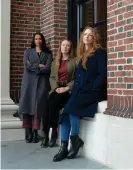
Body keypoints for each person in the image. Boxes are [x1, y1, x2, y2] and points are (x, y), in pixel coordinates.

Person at [53, 27, 107, 162]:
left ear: (94, 38)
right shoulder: (82, 54)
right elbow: (78, 78)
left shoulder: (99, 53)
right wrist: (70, 89)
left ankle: (75, 140)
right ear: (82, 37)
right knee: (65, 114)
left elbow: (103, 73)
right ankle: (64, 147)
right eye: (85, 34)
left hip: (92, 93)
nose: (87, 37)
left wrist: (94, 88)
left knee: (71, 109)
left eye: (90, 35)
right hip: (79, 92)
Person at [40, 39, 76, 148]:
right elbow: (52, 77)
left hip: (67, 90)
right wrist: (55, 88)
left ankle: (53, 133)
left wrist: (67, 87)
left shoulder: (75, 61)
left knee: (53, 104)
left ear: (70, 48)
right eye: (63, 45)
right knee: (47, 106)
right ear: (60, 47)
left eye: (68, 45)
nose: (65, 47)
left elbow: (76, 79)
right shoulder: (55, 61)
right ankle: (46, 135)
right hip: (56, 89)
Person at [19, 32, 53, 143]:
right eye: (36, 39)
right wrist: (39, 65)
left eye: (39, 39)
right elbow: (27, 66)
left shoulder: (48, 54)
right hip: (28, 83)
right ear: (33, 40)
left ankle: (35, 133)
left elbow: (48, 68)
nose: (38, 41)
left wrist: (34, 66)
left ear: (42, 40)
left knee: (37, 107)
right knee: (27, 106)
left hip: (42, 84)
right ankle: (28, 134)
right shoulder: (28, 52)